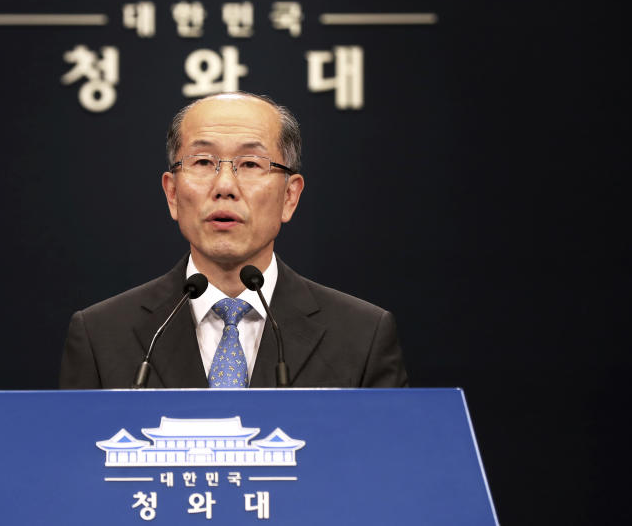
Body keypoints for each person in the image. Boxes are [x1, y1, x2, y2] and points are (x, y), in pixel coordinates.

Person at [59, 92, 408, 388]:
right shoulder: (101, 336)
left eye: (251, 164)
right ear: (172, 193)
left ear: (290, 196)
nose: (224, 186)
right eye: (203, 161)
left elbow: (389, 463)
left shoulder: (362, 336)